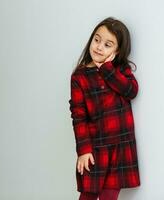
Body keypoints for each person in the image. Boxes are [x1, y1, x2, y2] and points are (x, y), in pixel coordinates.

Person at [68, 17, 140, 200]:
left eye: (107, 44)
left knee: (110, 196)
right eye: (97, 40)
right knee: (88, 194)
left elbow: (131, 91)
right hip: (95, 148)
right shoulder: (80, 76)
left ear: (117, 50)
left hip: (120, 146)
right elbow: (78, 116)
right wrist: (83, 150)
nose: (99, 47)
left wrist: (107, 69)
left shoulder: (119, 70)